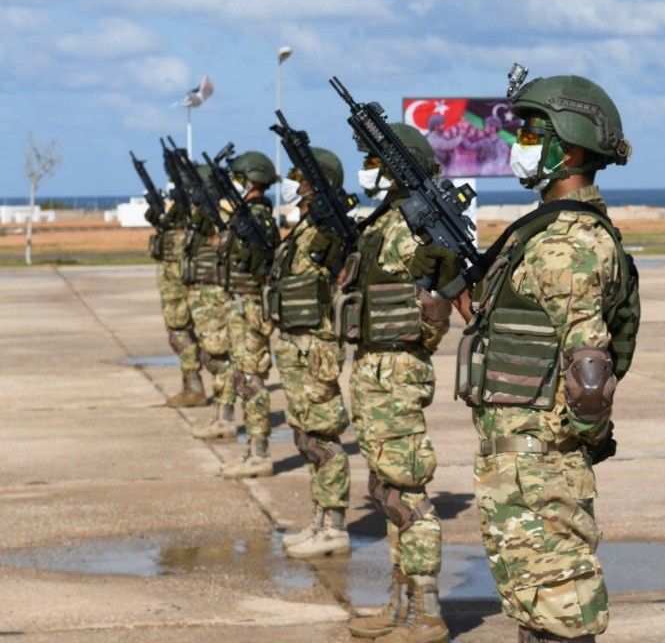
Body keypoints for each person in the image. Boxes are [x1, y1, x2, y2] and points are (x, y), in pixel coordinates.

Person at [412, 74, 640, 643]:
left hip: (541, 466)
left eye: (534, 134)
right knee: (536, 617)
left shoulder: (570, 241)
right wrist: (455, 287)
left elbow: (590, 374)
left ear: (573, 147)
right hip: (518, 464)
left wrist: (576, 444)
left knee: (561, 619)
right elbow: (508, 333)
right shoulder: (541, 234)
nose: (521, 145)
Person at [323, 123, 452, 643]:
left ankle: (429, 613)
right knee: (386, 489)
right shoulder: (383, 222)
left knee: (407, 490)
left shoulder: (413, 225)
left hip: (395, 370)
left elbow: (433, 306)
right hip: (373, 366)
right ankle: (400, 604)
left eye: (376, 161)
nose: (367, 170)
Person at [267, 150, 352, 557]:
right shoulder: (302, 229)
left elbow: (333, 268)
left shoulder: (325, 230)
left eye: (299, 177)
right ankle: (319, 517)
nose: (292, 184)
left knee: (323, 437)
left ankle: (334, 526)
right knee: (306, 435)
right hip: (295, 345)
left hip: (315, 346)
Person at [218, 150, 281, 479]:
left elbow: (262, 263)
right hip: (241, 305)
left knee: (251, 381)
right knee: (244, 377)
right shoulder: (247, 214)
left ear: (252, 181)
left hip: (251, 307)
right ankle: (254, 451)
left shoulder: (258, 217)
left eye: (240, 178)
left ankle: (260, 454)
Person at [187, 163, 238, 441]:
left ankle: (225, 417)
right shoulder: (204, 216)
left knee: (219, 357)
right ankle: (219, 414)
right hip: (204, 292)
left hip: (217, 294)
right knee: (210, 355)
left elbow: (226, 246)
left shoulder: (224, 217)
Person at [148, 176, 206, 407]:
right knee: (179, 332)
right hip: (174, 274)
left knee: (180, 332)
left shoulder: (192, 213)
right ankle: (191, 385)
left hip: (177, 277)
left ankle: (194, 387)